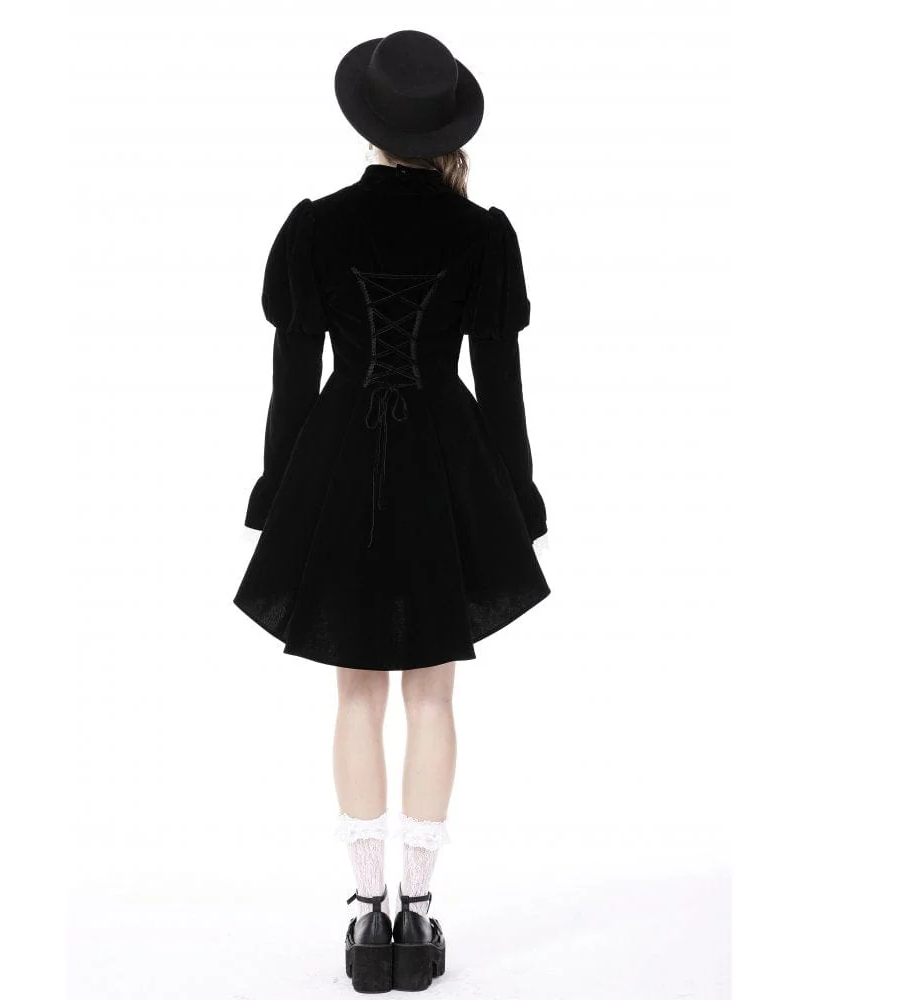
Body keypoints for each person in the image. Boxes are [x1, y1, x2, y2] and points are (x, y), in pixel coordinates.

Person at [234, 29, 550, 993]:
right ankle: (418, 912)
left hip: (341, 469)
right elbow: (501, 386)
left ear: (366, 122)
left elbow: (294, 381)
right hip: (445, 470)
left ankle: (367, 917)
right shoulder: (482, 234)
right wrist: (517, 494)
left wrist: (277, 487)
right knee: (434, 697)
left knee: (357, 695)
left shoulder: (315, 227)